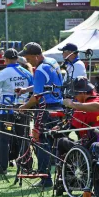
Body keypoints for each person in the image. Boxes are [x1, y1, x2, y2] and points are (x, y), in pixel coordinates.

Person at [18, 42, 63, 187]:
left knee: (41, 142)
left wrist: (24, 106)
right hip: (59, 106)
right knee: (58, 141)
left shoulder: (39, 70)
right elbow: (44, 84)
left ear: (36, 56)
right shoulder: (52, 62)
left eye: (29, 58)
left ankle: (46, 179)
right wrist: (26, 90)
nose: (27, 61)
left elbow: (36, 97)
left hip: (45, 108)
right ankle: (63, 176)